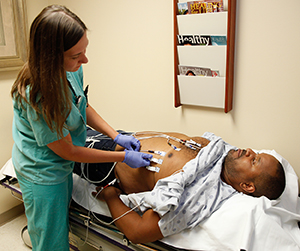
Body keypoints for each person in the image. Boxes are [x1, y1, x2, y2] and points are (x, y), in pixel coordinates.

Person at [10, 5, 152, 251]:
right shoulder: (37, 94)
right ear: (51, 57)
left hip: (62, 161)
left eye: (84, 51)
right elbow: (69, 152)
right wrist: (123, 157)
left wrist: (115, 134)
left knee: (57, 229)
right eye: (76, 56)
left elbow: (81, 104)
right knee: (50, 242)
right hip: (42, 170)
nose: (84, 60)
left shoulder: (71, 69)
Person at [78, 128, 286, 244]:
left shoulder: (200, 197)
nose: (249, 151)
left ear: (247, 186)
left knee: (50, 138)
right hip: (119, 135)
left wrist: (111, 195)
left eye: (255, 160)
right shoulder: (221, 152)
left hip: (105, 163)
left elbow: (138, 232)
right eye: (256, 154)